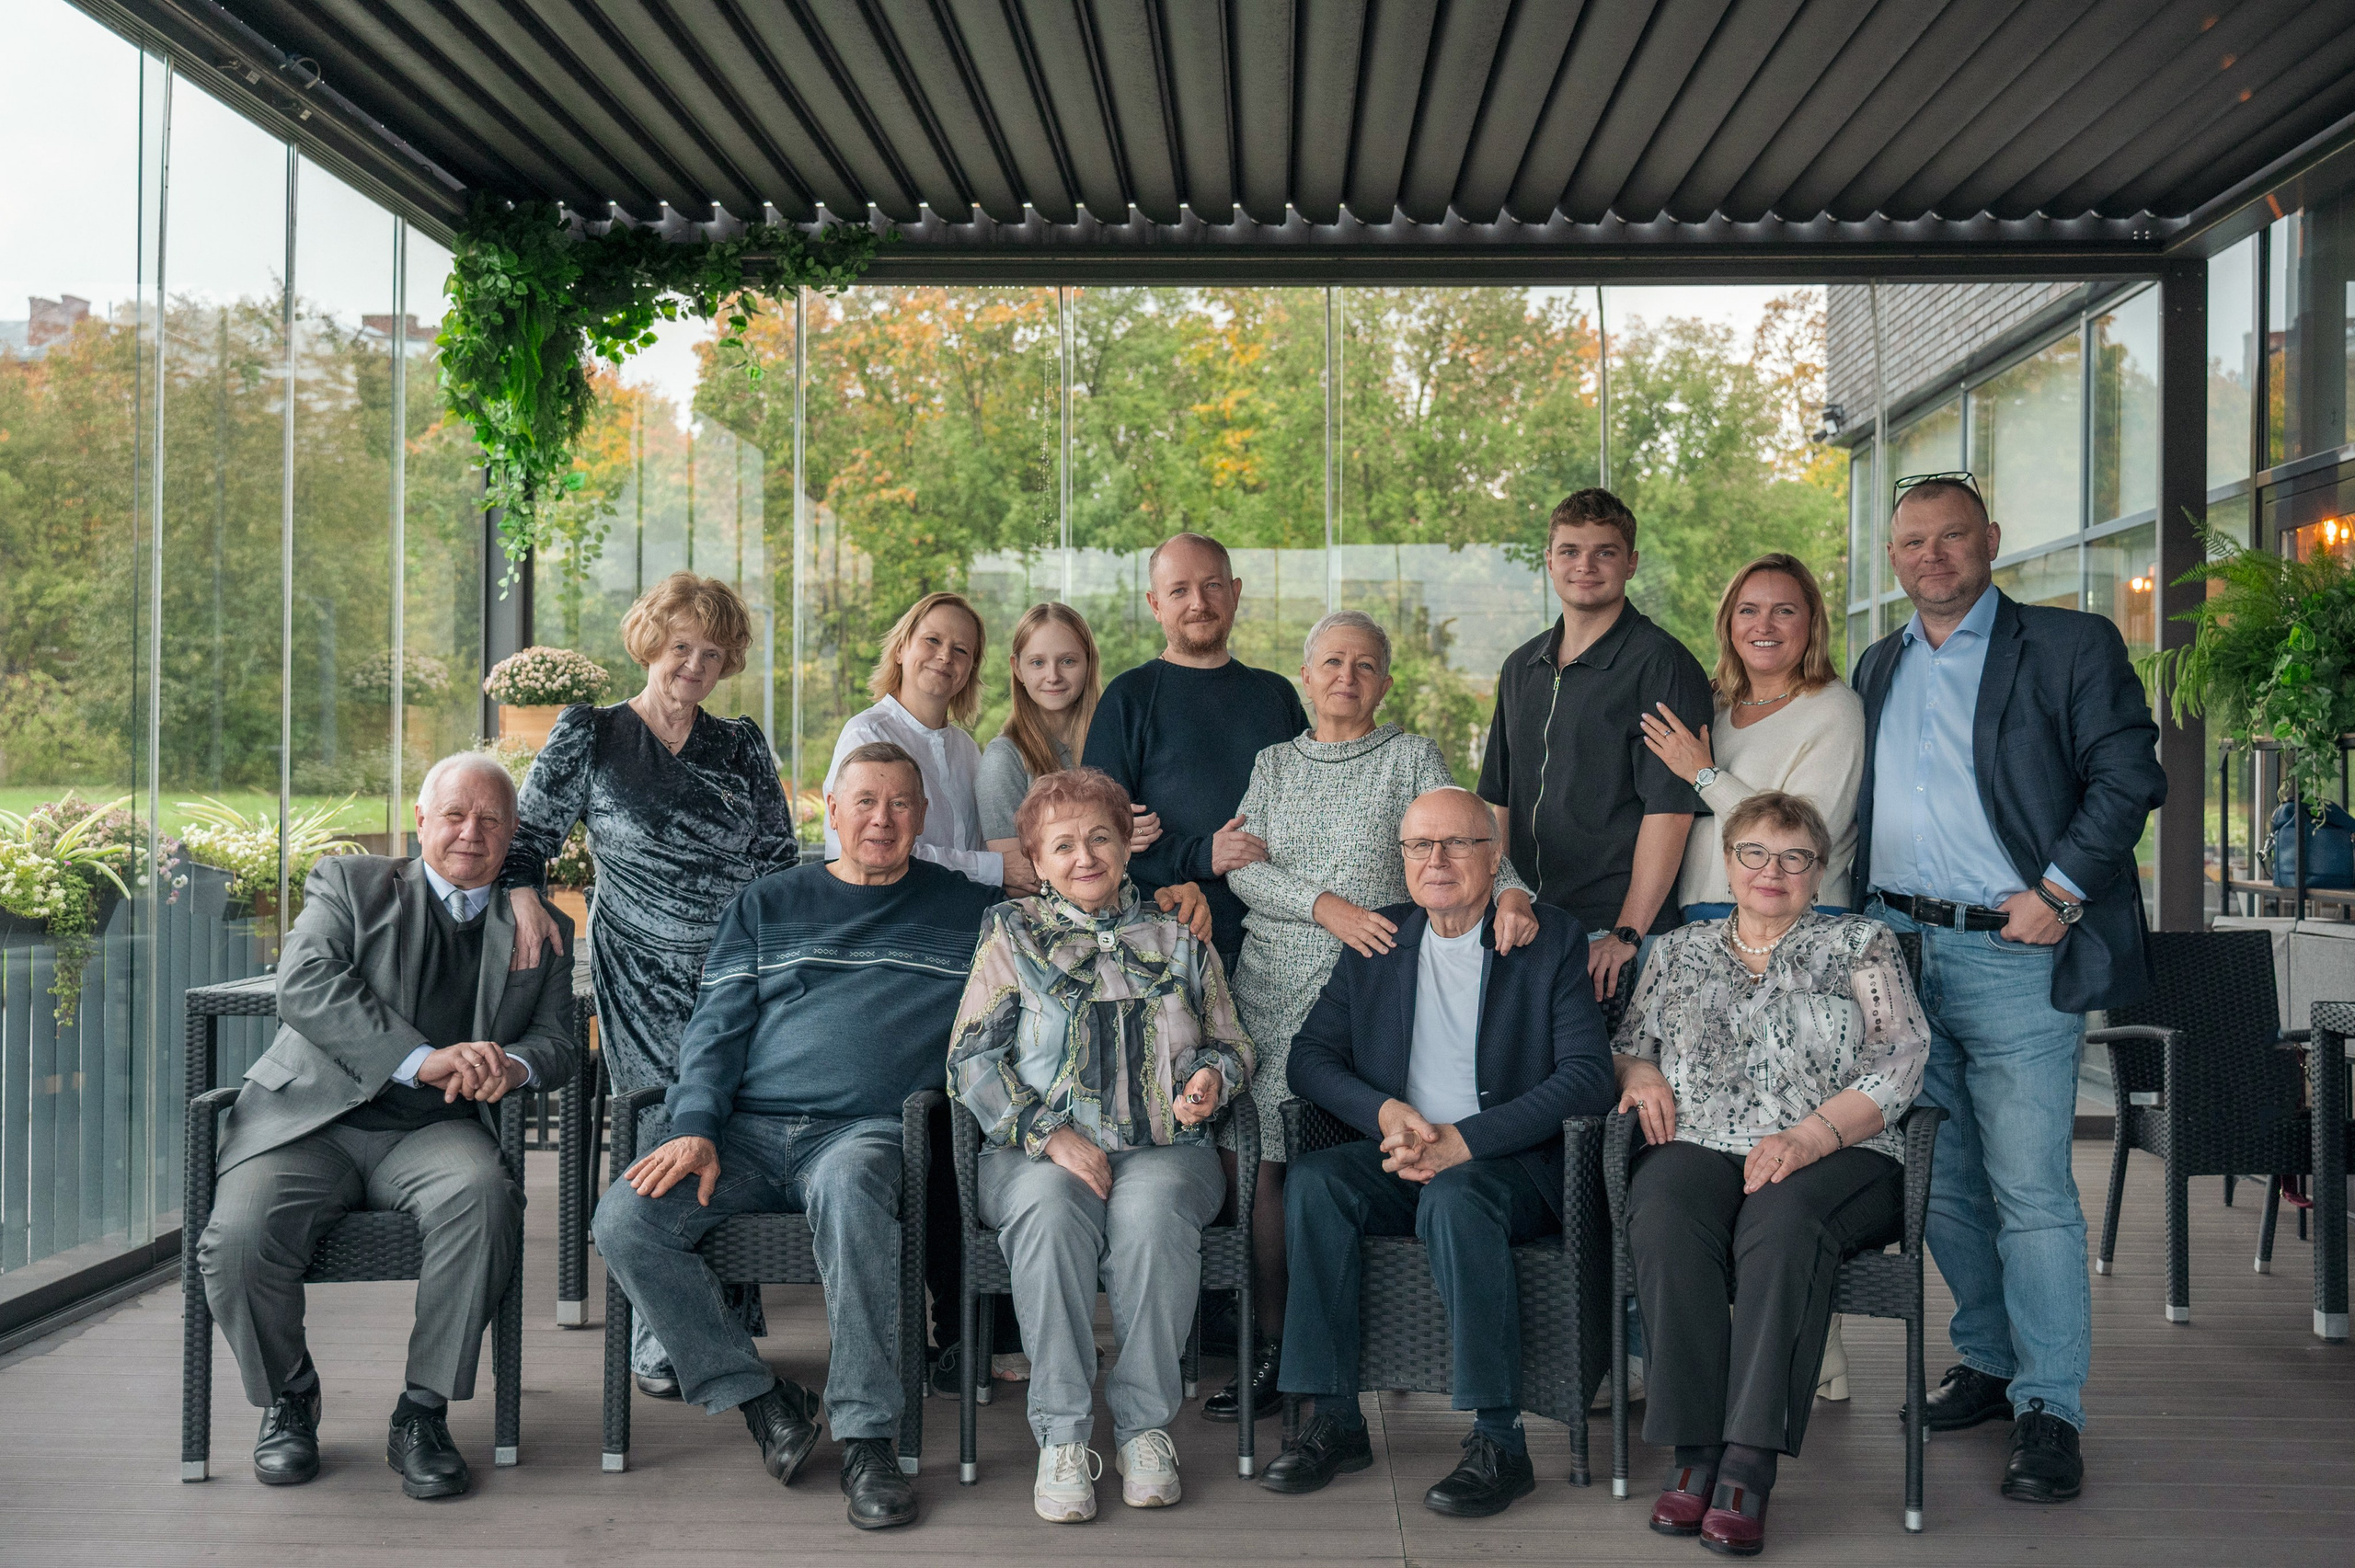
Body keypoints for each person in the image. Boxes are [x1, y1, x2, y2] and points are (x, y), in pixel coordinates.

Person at [592, 742, 1000, 1530]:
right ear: (833, 808)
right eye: (865, 801)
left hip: (864, 1133)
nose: (882, 818)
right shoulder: (768, 903)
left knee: (851, 1194)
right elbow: (713, 1032)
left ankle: (867, 1438)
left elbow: (1072, 906)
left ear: (922, 816)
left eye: (900, 804)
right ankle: (760, 1396)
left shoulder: (968, 914)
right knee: (623, 1219)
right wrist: (696, 1128)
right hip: (743, 1134)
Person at [1855, 473, 2165, 1505]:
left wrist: (2060, 890)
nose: (1930, 555)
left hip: (2015, 947)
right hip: (1897, 950)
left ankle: (2050, 1406)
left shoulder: (2069, 646)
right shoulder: (1876, 663)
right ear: (1890, 556)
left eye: (1949, 536)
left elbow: (2129, 775)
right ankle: (1986, 1361)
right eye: (1910, 542)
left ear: (1990, 538)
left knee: (2031, 1189)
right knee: (1942, 1180)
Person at [196, 752, 578, 1500]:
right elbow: (305, 986)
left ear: (512, 836)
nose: (472, 832)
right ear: (421, 821)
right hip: (310, 1119)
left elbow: (560, 1042)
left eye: (491, 820)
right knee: (235, 1237)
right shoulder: (350, 883)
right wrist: (424, 1058)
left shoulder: (541, 926)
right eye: (456, 814)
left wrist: (513, 1065)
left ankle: (422, 1412)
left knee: (486, 1198)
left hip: (434, 1133)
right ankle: (290, 1396)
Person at [1204, 610, 1542, 1425]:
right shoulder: (1273, 763)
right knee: (1272, 1169)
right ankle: (1282, 1354)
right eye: (1331, 662)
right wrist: (1328, 907)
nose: (1346, 677)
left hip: (1381, 986)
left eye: (1364, 664)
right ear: (1307, 675)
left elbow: (1459, 840)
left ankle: (1386, 1346)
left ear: (1385, 681)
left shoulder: (1409, 757)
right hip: (1277, 983)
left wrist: (1517, 889)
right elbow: (1243, 872)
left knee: (1372, 1149)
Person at [1260, 786, 1615, 1518]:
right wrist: (1386, 1111)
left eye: (1457, 843)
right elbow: (1309, 1059)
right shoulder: (1379, 942)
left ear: (1494, 858)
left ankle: (1498, 1441)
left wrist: (1466, 1142)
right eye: (1420, 845)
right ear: (1402, 860)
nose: (1436, 859)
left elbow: (1587, 1080)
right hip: (1403, 1150)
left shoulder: (1545, 938)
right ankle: (1335, 1418)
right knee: (1318, 1181)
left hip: (1513, 1165)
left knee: (1458, 1195)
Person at [1612, 791, 1931, 1556]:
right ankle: (1695, 1454)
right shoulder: (1679, 949)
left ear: (1819, 873)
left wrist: (1810, 1136)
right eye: (1754, 852)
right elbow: (1631, 1041)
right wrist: (1639, 1075)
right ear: (1727, 861)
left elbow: (1903, 1060)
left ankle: (1748, 1464)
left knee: (1782, 1224)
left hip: (1842, 1153)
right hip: (1701, 1139)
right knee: (1661, 1212)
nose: (1771, 870)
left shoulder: (1861, 943)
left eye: (1794, 857)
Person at [502, 571, 798, 1394]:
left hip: (738, 969)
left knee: (730, 1121)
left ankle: (721, 1312)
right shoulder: (590, 732)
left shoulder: (739, 743)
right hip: (639, 970)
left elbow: (779, 861)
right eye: (679, 647)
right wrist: (526, 901)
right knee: (663, 1119)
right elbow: (528, 837)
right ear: (649, 643)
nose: (693, 665)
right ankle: (659, 1322)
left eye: (711, 652)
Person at [947, 767, 1254, 1524]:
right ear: (1037, 859)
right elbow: (970, 1062)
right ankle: (1062, 1436)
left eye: (1098, 839)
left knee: (1151, 1219)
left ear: (1125, 849)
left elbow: (1234, 1042)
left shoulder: (1183, 937)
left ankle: (1145, 1428)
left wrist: (1212, 1079)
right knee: (1049, 1214)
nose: (1083, 856)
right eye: (1062, 845)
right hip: (1034, 1152)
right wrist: (1049, 1135)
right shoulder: (1009, 936)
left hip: (1163, 1149)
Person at [1479, 488, 1713, 1002]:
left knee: (1618, 1079)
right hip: (1526, 923)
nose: (1585, 565)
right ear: (1549, 561)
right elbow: (1499, 798)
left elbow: (1670, 811)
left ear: (1630, 564)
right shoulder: (1521, 666)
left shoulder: (1661, 664)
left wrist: (1627, 932)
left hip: (1612, 936)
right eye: (1569, 551)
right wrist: (1502, 898)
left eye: (1604, 552)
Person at [1082, 532, 1309, 973]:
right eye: (1179, 590)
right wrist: (1203, 854)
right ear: (1155, 605)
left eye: (1212, 586)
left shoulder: (1276, 695)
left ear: (1235, 592)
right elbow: (1100, 838)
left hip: (1281, 941)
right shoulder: (1129, 697)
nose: (1198, 603)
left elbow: (1311, 813)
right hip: (1166, 942)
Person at [1641, 553, 1866, 920]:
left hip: (1798, 916)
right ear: (1729, 623)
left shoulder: (1835, 710)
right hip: (1698, 914)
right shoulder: (1714, 707)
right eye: (1748, 610)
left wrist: (1704, 776)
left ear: (1812, 623)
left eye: (1784, 611)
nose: (1764, 625)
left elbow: (1805, 842)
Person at [825, 590, 1029, 890]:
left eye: (960, 650)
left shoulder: (967, 750)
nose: (945, 656)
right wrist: (995, 868)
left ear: (970, 669)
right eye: (932, 640)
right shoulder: (867, 736)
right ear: (900, 650)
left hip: (968, 915)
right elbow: (874, 851)